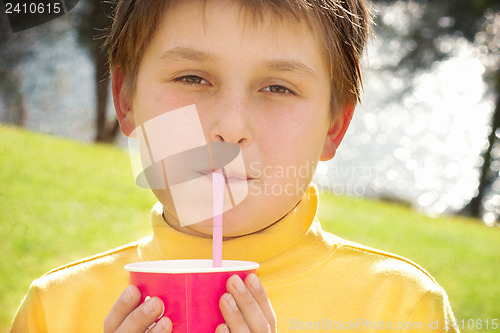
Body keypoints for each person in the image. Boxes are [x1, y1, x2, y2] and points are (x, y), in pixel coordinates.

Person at [11, 0, 459, 332]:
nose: (230, 128)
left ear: (333, 125)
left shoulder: (401, 309)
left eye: (278, 88)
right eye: (192, 77)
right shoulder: (55, 311)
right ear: (126, 99)